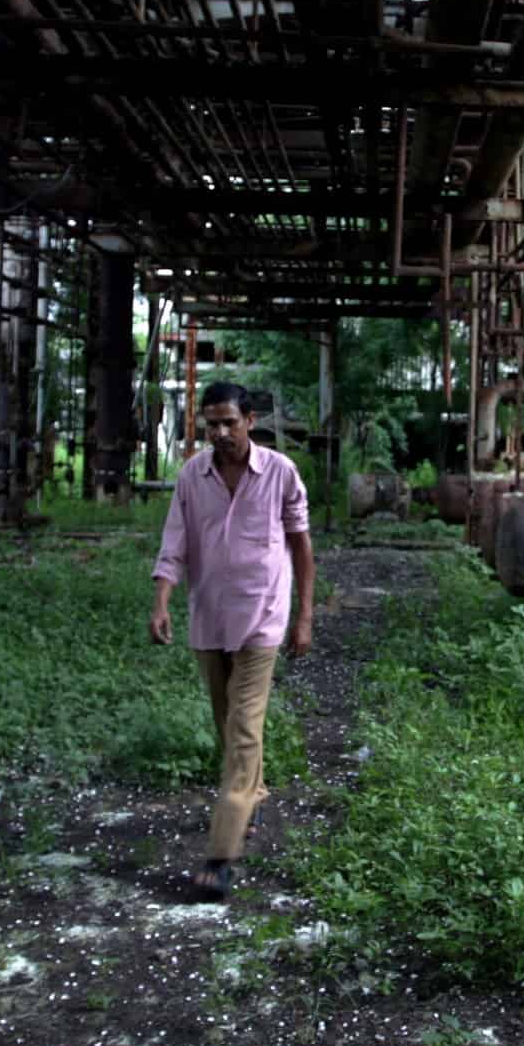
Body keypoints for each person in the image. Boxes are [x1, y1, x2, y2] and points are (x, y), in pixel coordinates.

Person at [149, 381, 315, 900]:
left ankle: (221, 854)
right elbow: (174, 543)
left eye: (229, 422)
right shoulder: (192, 477)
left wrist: (304, 618)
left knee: (244, 726)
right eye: (211, 424)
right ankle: (252, 793)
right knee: (227, 725)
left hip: (263, 619)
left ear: (249, 420)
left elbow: (302, 549)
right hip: (208, 618)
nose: (220, 433)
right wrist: (160, 602)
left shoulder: (280, 473)